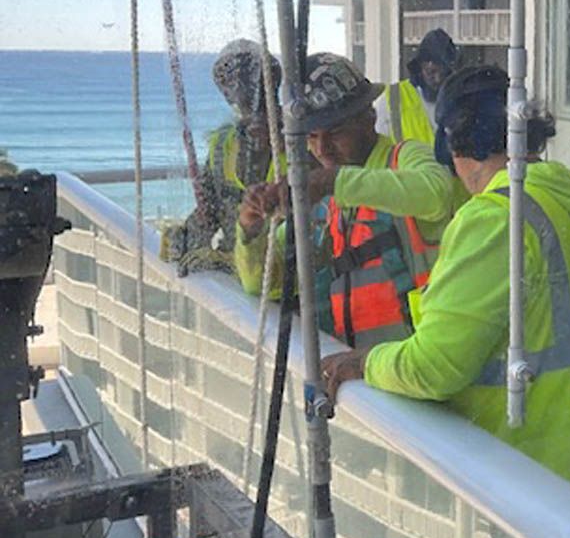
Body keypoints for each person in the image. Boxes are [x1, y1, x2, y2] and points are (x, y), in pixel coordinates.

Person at [320, 65, 570, 492]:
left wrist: (364, 363)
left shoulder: (495, 220)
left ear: (452, 143)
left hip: (513, 466)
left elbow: (434, 368)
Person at [236, 53, 458, 348]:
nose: (322, 149)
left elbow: (436, 193)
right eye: (312, 136)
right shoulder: (325, 200)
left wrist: (332, 181)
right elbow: (262, 282)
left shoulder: (404, 159)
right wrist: (251, 229)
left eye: (336, 132)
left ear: (369, 117)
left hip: (420, 366)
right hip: (360, 378)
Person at [162, 39, 286, 274]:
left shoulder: (303, 141)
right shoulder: (223, 143)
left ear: (271, 81)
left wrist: (222, 261)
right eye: (229, 80)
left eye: (250, 76)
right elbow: (209, 210)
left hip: (278, 281)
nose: (240, 88)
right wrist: (185, 238)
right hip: (237, 281)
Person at [379, 28, 458, 144]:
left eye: (445, 73)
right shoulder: (393, 99)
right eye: (431, 72)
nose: (438, 79)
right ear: (420, 67)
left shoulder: (461, 101)